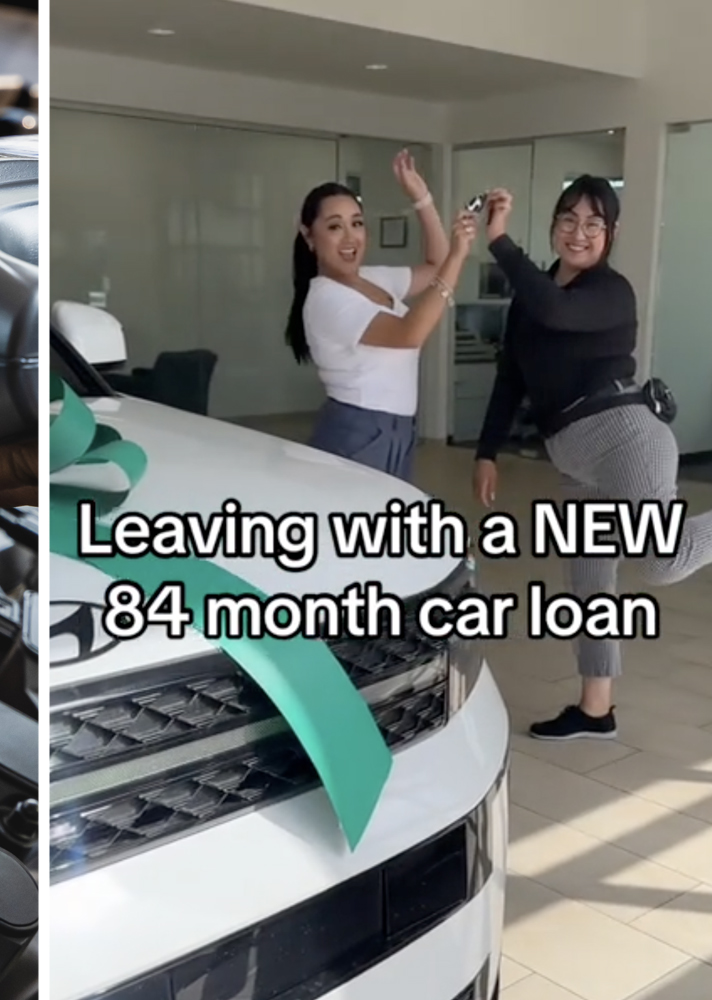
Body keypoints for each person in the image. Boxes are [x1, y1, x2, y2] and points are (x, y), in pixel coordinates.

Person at [473, 177, 712, 741]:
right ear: (554, 225)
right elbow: (511, 376)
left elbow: (557, 311)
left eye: (593, 223)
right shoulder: (529, 300)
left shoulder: (612, 291)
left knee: (660, 561)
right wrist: (486, 452)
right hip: (574, 458)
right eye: (567, 220)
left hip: (624, 437)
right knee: (588, 583)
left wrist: (500, 243)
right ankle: (595, 708)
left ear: (612, 234)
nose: (577, 233)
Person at [286, 150, 476, 481]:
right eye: (334, 226)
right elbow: (409, 334)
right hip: (359, 430)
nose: (350, 238)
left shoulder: (371, 278)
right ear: (308, 236)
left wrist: (422, 199)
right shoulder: (325, 299)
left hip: (396, 428)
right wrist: (459, 256)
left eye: (357, 224)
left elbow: (436, 266)